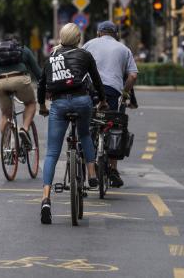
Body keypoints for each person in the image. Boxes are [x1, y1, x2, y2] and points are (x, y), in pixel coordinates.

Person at [37, 23, 107, 225]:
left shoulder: (51, 57)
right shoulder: (84, 55)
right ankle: (92, 174)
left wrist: (42, 105)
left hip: (58, 104)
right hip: (82, 101)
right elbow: (97, 81)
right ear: (78, 39)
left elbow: (42, 84)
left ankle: (46, 199)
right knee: (84, 134)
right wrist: (102, 101)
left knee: (51, 153)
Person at [83, 21, 138, 187]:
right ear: (115, 34)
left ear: (99, 32)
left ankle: (90, 168)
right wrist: (125, 92)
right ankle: (113, 169)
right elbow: (133, 76)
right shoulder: (123, 49)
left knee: (88, 126)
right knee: (116, 126)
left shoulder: (88, 44)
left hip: (91, 91)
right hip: (113, 92)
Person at [0, 33, 43, 137]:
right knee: (30, 104)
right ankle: (24, 129)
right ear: (18, 42)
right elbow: (38, 73)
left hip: (0, 82)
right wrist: (44, 84)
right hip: (20, 80)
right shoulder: (24, 50)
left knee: (5, 114)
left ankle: (5, 146)